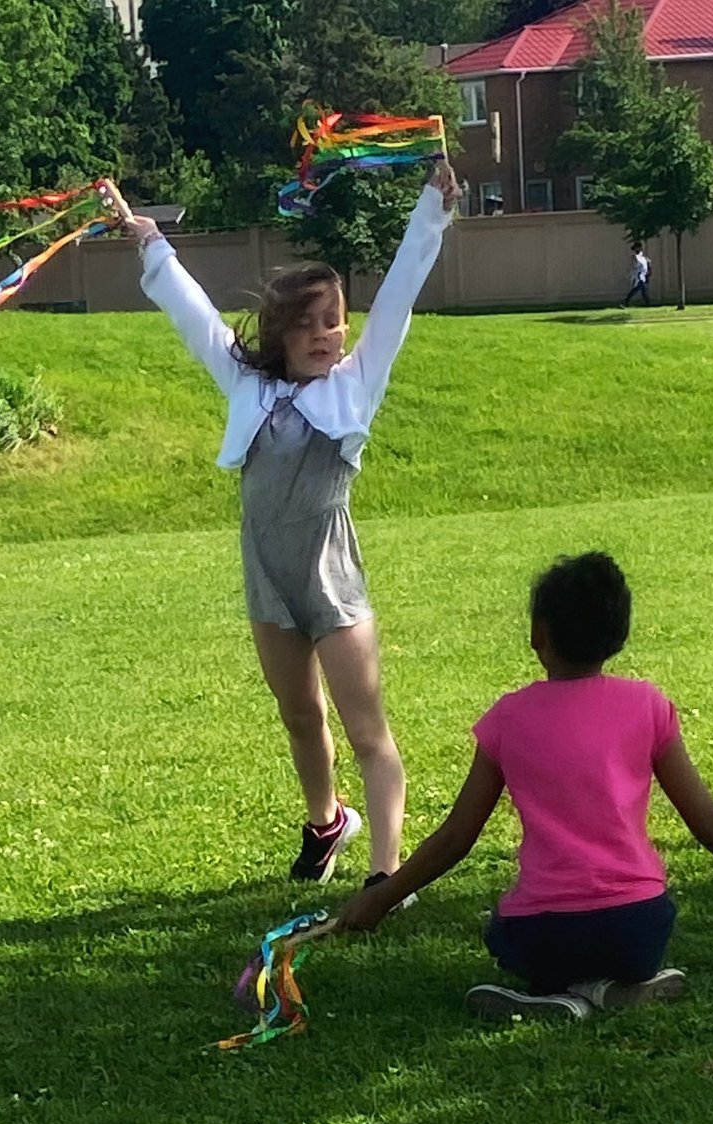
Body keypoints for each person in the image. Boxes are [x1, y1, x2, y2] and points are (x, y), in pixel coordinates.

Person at [123, 162, 460, 889]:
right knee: (301, 718)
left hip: (332, 585)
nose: (322, 334)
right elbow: (194, 317)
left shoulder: (354, 387)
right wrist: (150, 240)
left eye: (332, 321)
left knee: (367, 730)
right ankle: (327, 821)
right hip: (268, 583)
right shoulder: (248, 385)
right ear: (278, 333)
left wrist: (433, 207)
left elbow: (398, 295)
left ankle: (385, 875)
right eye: (304, 324)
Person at [338, 551, 713, 1020]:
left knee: (502, 928)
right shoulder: (648, 707)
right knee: (635, 926)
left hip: (542, 935)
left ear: (538, 634)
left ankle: (551, 993)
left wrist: (379, 899)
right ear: (618, 635)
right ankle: (612, 988)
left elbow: (455, 838)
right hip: (638, 931)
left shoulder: (507, 720)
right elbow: (709, 823)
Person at [622, 241, 651, 307]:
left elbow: (646, 265)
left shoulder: (643, 257)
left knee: (640, 290)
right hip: (639, 276)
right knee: (640, 289)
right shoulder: (636, 257)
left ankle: (626, 302)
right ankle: (647, 303)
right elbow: (636, 266)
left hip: (643, 275)